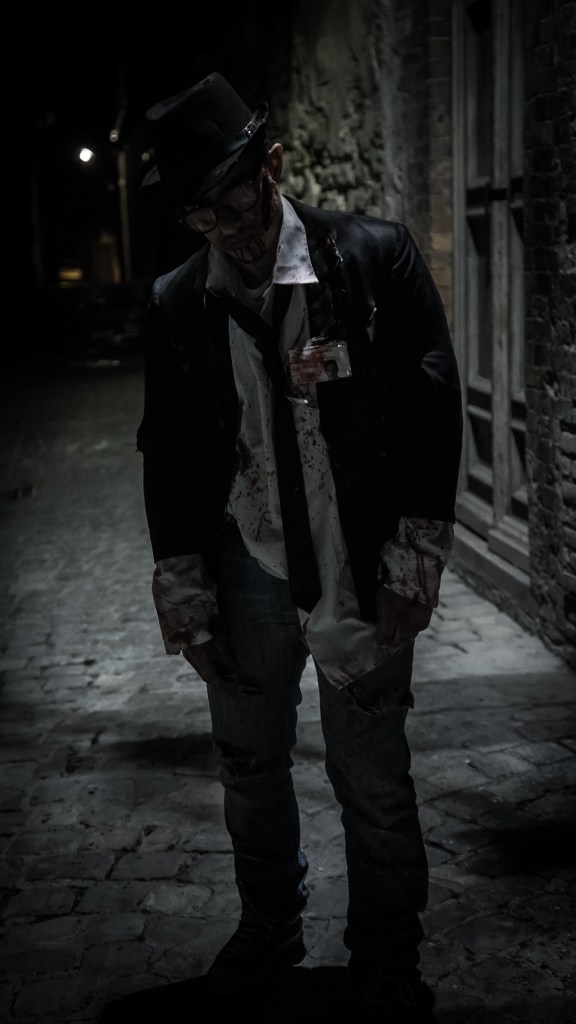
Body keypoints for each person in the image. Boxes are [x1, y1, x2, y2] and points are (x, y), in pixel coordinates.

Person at [137, 71, 463, 1023]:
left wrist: (415, 558)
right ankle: (271, 923)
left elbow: (433, 411)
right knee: (249, 763)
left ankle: (388, 953)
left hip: (354, 553)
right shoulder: (179, 300)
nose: (227, 230)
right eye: (201, 215)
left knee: (371, 769)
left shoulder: (372, 258)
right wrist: (185, 590)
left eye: (237, 202)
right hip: (245, 561)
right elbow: (168, 452)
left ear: (273, 166)